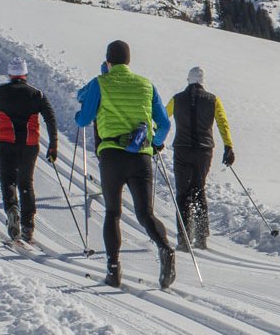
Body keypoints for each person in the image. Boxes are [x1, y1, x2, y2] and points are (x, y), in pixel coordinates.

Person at [75, 40, 176, 288]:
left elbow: (84, 119)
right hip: (141, 155)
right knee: (145, 213)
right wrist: (156, 144)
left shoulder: (101, 83)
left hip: (111, 154)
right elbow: (164, 124)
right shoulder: (146, 85)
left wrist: (80, 114)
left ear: (108, 62)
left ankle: (113, 270)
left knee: (113, 212)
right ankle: (166, 249)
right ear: (128, 61)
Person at [0, 59, 57, 243]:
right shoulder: (37, 94)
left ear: (10, 74)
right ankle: (28, 226)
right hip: (29, 144)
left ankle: (12, 209)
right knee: (26, 182)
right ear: (25, 74)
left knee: (8, 179)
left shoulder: (0, 90)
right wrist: (53, 145)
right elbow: (50, 118)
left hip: (5, 142)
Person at [168, 66, 235, 251]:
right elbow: (222, 122)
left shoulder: (176, 99)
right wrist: (228, 146)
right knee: (199, 189)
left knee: (182, 193)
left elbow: (163, 117)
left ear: (188, 79)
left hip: (182, 149)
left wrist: (154, 138)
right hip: (204, 151)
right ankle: (201, 235)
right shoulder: (213, 100)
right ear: (202, 81)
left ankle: (183, 237)